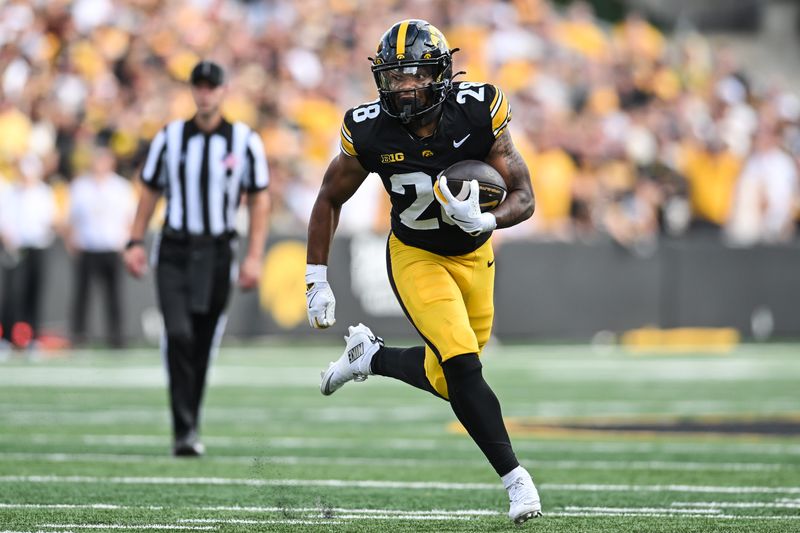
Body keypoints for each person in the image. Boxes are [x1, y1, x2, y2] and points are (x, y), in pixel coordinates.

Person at [305, 20, 541, 523]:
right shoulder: (370, 129)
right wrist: (315, 277)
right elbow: (329, 197)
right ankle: (516, 480)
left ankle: (370, 357)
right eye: (395, 77)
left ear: (441, 75)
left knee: (448, 376)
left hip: (475, 254)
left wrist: (487, 220)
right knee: (462, 365)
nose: (405, 87)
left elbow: (525, 195)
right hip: (416, 255)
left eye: (416, 75)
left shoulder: (476, 111)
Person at [123, 60, 271, 457]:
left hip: (219, 250)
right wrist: (134, 240)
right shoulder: (170, 137)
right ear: (192, 90)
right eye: (199, 86)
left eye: (211, 86)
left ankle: (190, 424)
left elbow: (259, 199)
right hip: (175, 248)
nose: (205, 93)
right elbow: (149, 189)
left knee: (203, 341)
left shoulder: (244, 140)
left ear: (222, 91)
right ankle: (183, 428)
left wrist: (254, 256)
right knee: (179, 334)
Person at [67, 143, 136, 348]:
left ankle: (116, 336)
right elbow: (72, 219)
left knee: (114, 294)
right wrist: (72, 240)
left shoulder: (121, 188)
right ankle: (79, 335)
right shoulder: (80, 186)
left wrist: (127, 244)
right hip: (88, 246)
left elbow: (130, 219)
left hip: (112, 246)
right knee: (82, 294)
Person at [0, 155, 56, 351]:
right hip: (16, 248)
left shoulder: (44, 193)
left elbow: (49, 220)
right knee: (12, 294)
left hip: (37, 247)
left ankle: (30, 337)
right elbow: (3, 219)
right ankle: (7, 338)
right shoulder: (9, 192)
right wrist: (8, 238)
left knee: (34, 292)